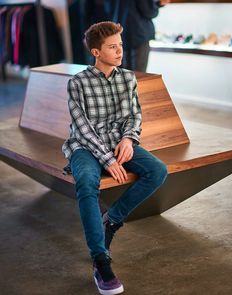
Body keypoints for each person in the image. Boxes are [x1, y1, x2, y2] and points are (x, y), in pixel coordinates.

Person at [62, 21, 168, 295]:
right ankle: (100, 260)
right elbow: (82, 128)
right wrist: (108, 159)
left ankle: (113, 219)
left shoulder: (127, 78)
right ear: (96, 52)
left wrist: (128, 139)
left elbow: (134, 115)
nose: (120, 51)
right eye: (112, 47)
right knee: (86, 183)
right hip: (85, 147)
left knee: (157, 171)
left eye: (120, 45)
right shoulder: (78, 83)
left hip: (119, 144)